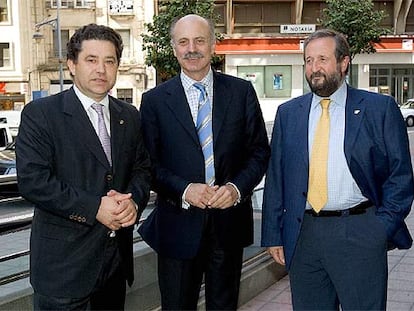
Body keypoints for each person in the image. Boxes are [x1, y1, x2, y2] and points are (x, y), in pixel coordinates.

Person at [261, 28, 414, 310]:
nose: (314, 68)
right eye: (308, 60)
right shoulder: (289, 113)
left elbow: (400, 177)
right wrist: (273, 234)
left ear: (344, 63)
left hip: (358, 231)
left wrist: (379, 229)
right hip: (303, 235)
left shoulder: (379, 109)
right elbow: (276, 179)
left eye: (322, 59)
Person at [138, 14, 270, 310]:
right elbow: (148, 164)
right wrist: (185, 190)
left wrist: (236, 189)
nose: (192, 48)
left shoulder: (241, 92)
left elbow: (260, 152)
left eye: (199, 40)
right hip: (177, 227)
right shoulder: (154, 101)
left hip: (229, 226)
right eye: (183, 42)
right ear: (173, 48)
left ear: (213, 45)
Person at [16, 23, 152, 310]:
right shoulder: (41, 114)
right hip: (63, 270)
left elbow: (141, 169)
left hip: (114, 264)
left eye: (109, 61)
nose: (101, 69)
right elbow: (33, 181)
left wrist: (134, 203)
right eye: (91, 60)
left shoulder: (129, 115)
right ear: (71, 65)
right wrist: (94, 208)